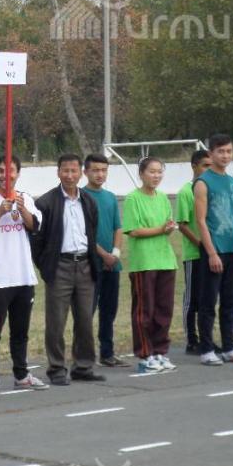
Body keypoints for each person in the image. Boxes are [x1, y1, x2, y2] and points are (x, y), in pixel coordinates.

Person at [0, 156, 48, 394]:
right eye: (0, 171)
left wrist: (21, 207)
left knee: (20, 331)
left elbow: (35, 226)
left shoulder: (26, 198)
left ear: (18, 173)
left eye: (11, 170)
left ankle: (21, 374)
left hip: (23, 276)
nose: (6, 175)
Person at [33, 154, 105, 384]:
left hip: (84, 265)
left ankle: (83, 367)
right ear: (58, 172)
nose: (70, 175)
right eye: (65, 170)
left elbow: (91, 233)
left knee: (85, 320)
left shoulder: (88, 201)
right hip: (59, 266)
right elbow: (36, 240)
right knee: (56, 322)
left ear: (81, 173)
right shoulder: (46, 203)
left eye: (74, 171)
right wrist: (46, 266)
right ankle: (56, 369)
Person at [194, 135, 233, 366]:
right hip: (214, 249)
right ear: (211, 153)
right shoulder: (203, 182)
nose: (225, 155)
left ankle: (229, 347)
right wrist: (211, 253)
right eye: (221, 151)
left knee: (230, 301)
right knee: (208, 302)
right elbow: (201, 221)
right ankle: (206, 349)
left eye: (229, 151)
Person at [123, 157, 178, 373]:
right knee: (144, 310)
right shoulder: (133, 198)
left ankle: (160, 352)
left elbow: (167, 224)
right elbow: (134, 230)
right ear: (141, 174)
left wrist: (168, 228)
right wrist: (161, 229)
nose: (156, 176)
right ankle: (145, 354)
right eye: (152, 172)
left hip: (165, 259)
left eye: (159, 172)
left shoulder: (163, 198)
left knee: (164, 309)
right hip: (144, 262)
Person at [82, 153, 129, 367]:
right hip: (91, 264)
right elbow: (84, 233)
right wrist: (103, 255)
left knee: (109, 310)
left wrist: (115, 254)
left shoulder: (110, 197)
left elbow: (117, 228)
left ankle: (107, 353)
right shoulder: (81, 197)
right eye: (95, 170)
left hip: (112, 264)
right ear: (86, 172)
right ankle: (84, 355)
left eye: (103, 170)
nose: (100, 174)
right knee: (87, 311)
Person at [176, 150, 212, 355]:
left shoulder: (210, 189)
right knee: (192, 299)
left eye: (210, 165)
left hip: (211, 253)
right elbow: (182, 224)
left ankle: (207, 339)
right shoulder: (185, 191)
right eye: (205, 165)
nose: (208, 169)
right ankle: (192, 340)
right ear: (194, 166)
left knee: (208, 298)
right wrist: (200, 243)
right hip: (195, 254)